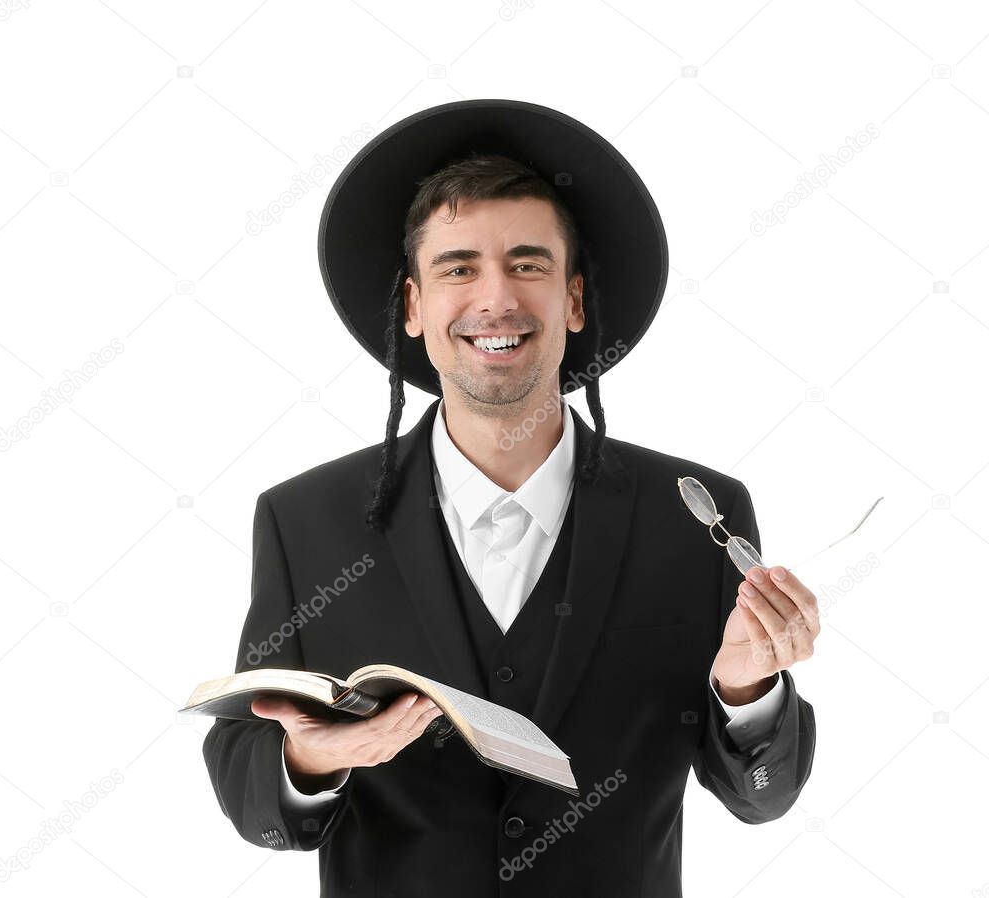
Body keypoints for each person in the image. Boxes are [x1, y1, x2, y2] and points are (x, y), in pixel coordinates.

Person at [202, 99, 818, 898]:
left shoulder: (697, 514)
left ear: (574, 299)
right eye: (458, 267)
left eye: (528, 264)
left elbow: (760, 798)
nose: (496, 298)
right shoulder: (302, 520)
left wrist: (746, 691)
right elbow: (244, 780)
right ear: (415, 308)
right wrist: (313, 758)